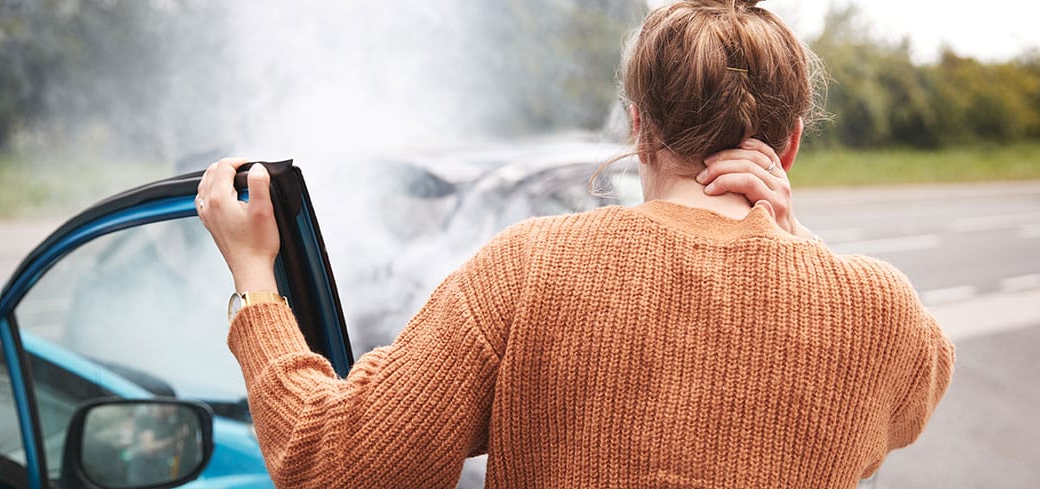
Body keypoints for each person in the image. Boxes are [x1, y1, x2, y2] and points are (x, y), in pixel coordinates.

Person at [196, 0, 954, 486]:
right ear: (788, 145)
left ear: (638, 125)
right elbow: (920, 389)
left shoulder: (528, 268)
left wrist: (256, 281)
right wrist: (792, 238)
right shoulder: (878, 309)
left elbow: (332, 464)